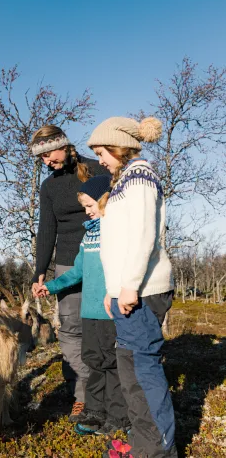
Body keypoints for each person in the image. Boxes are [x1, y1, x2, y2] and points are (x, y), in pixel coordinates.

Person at [87, 116, 177, 458]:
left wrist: (129, 287)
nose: (99, 159)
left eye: (102, 151)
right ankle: (144, 445)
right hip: (127, 290)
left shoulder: (140, 175)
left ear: (120, 146)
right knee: (130, 373)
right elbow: (116, 244)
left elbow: (142, 235)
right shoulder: (124, 180)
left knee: (141, 375)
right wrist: (113, 290)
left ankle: (157, 452)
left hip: (142, 289)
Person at [33, 174, 130, 437]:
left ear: (105, 201)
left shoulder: (119, 234)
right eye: (85, 207)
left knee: (111, 364)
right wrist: (50, 286)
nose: (86, 212)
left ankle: (117, 415)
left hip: (111, 313)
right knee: (93, 362)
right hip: (89, 313)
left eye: (89, 206)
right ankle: (95, 410)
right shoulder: (88, 237)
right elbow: (77, 272)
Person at [30, 125, 107, 422]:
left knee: (104, 326)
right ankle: (81, 395)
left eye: (49, 153)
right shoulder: (48, 187)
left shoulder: (99, 168)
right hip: (66, 262)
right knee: (72, 328)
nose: (47, 161)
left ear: (64, 145)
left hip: (103, 256)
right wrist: (40, 270)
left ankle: (109, 389)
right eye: (41, 159)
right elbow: (47, 229)